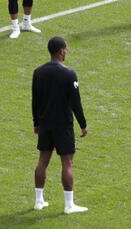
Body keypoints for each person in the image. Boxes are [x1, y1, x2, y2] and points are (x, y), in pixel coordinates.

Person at [32, 37, 88, 214]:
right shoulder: (69, 73)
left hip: (45, 124)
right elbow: (75, 102)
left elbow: (35, 100)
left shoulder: (38, 72)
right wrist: (83, 124)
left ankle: (39, 201)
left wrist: (36, 122)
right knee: (67, 163)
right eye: (66, 50)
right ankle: (69, 205)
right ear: (61, 50)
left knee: (43, 161)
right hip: (63, 125)